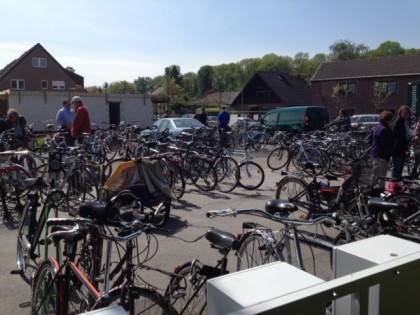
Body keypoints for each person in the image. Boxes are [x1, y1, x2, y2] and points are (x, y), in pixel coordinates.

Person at [370, 110, 394, 188]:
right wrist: (391, 151)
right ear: (388, 120)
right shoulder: (385, 129)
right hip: (381, 156)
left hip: (375, 154)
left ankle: (374, 192)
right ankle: (376, 193)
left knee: (375, 175)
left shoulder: (378, 127)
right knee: (380, 177)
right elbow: (386, 144)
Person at [391, 105, 411, 179]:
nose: (405, 115)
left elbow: (406, 134)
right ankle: (393, 186)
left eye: (407, 113)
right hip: (397, 148)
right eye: (404, 113)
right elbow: (395, 135)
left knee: (400, 169)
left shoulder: (405, 122)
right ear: (400, 113)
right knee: (396, 168)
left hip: (403, 148)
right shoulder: (398, 122)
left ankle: (397, 186)